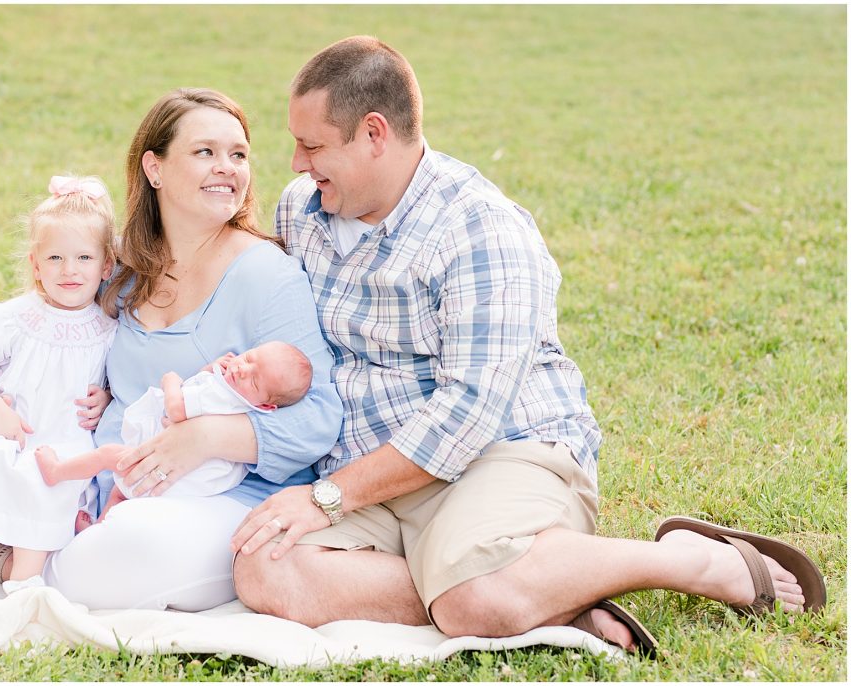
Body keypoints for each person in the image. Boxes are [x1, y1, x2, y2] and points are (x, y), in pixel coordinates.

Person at [230, 36, 826, 656]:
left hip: (499, 453)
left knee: (475, 598)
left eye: (313, 144)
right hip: (373, 470)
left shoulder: (481, 226)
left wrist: (329, 497)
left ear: (374, 133)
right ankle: (545, 591)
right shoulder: (304, 210)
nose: (297, 162)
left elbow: (469, 413)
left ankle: (689, 562)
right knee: (262, 566)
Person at [0, 88, 343, 612]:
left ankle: (23, 555)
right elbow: (36, 342)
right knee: (4, 485)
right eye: (205, 152)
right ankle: (25, 541)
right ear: (154, 168)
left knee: (123, 553)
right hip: (108, 485)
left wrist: (204, 437)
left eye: (239, 154)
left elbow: (319, 417)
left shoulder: (267, 275)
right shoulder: (127, 275)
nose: (227, 167)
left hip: (217, 496)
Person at [0, 174, 118, 597]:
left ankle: (25, 577)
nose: (69, 270)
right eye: (54, 258)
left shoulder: (109, 331)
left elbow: (113, 384)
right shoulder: (11, 318)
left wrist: (106, 397)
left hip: (62, 442)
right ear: (35, 264)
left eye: (84, 258)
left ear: (106, 264)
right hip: (7, 433)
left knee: (53, 480)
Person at [34, 341, 314, 527]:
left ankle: (57, 471)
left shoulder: (223, 398)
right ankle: (98, 530)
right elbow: (202, 384)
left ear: (266, 404)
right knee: (120, 494)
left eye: (254, 379)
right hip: (190, 480)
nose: (242, 370)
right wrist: (210, 369)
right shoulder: (239, 398)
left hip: (176, 473)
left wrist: (171, 381)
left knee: (110, 457)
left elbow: (177, 412)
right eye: (250, 358)